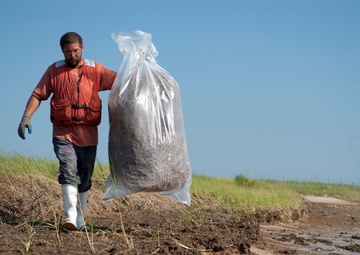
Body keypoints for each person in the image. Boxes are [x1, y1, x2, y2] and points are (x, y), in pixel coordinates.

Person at [17, 32, 117, 231]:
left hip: (89, 136)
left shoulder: (96, 70)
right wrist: (26, 117)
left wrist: (142, 70)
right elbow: (38, 94)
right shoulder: (54, 71)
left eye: (76, 51)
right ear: (62, 51)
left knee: (85, 177)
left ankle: (79, 220)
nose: (72, 55)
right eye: (68, 52)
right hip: (63, 133)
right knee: (68, 168)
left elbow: (122, 82)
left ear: (82, 48)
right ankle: (69, 215)